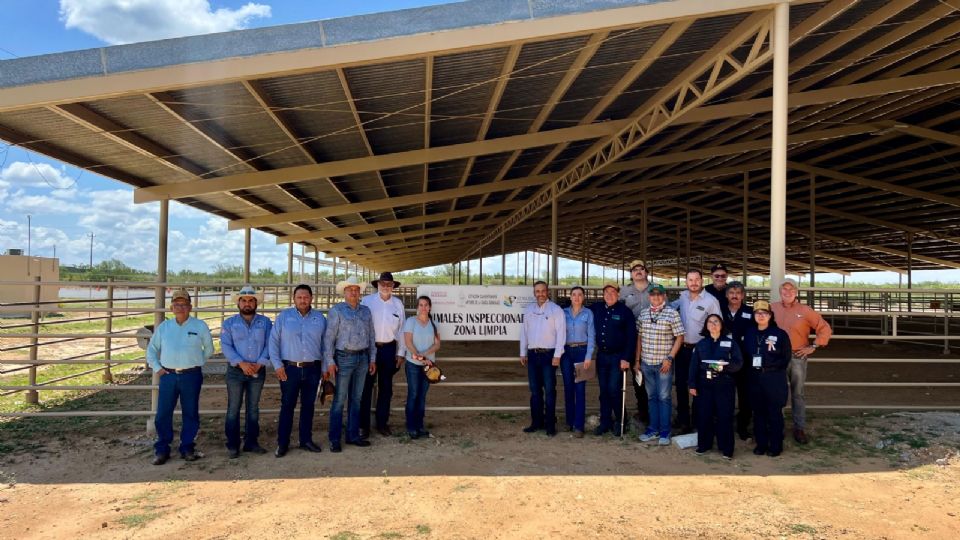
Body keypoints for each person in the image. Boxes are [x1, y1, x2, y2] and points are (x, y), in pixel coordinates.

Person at [146, 289, 214, 465]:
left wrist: (196, 362)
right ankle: (162, 449)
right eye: (177, 304)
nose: (180, 307)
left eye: (184, 304)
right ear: (171, 307)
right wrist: (158, 368)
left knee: (190, 412)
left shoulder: (199, 326)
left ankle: (187, 446)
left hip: (191, 375)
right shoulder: (164, 327)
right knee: (163, 413)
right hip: (168, 375)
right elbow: (152, 350)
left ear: (190, 307)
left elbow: (209, 349)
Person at [770, 278, 832, 445]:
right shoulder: (772, 308)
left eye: (791, 290)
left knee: (798, 393)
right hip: (776, 357)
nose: (788, 293)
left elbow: (824, 328)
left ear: (796, 292)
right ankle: (778, 425)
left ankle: (799, 427)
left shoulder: (805, 310)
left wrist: (814, 345)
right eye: (784, 290)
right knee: (778, 392)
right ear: (780, 292)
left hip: (798, 355)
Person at [270, 284, 326, 457]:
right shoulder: (284, 317)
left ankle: (305, 440)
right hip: (289, 368)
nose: (303, 300)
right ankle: (282, 443)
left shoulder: (320, 318)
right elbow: (273, 342)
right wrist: (278, 365)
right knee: (287, 405)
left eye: (306, 297)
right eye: (299, 297)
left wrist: (325, 368)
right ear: (293, 298)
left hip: (313, 368)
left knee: (308, 406)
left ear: (312, 298)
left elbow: (325, 345)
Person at [325, 276, 377, 452]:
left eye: (356, 289)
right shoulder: (337, 311)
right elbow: (329, 338)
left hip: (362, 357)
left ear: (359, 292)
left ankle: (353, 435)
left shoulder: (366, 311)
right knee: (339, 399)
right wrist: (330, 361)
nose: (354, 292)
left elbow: (371, 336)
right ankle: (334, 438)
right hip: (344, 357)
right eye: (350, 290)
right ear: (345, 292)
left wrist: (372, 358)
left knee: (356, 399)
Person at [220, 285, 272, 458]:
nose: (247, 304)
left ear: (256, 303)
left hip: (258, 370)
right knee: (233, 408)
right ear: (239, 303)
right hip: (236, 371)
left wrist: (260, 363)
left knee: (253, 408)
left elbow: (269, 344)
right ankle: (232, 444)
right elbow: (226, 346)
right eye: (244, 300)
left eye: (251, 300)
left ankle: (251, 442)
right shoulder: (229, 323)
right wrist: (241, 363)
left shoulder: (265, 323)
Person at [670, 269, 721, 434]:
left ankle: (700, 420)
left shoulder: (711, 301)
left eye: (696, 279)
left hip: (701, 350)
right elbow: (669, 308)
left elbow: (717, 324)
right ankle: (684, 420)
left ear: (702, 281)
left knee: (700, 384)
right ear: (686, 282)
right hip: (682, 348)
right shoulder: (683, 297)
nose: (693, 283)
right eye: (690, 280)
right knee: (681, 385)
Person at [635, 283, 684, 446]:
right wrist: (637, 360)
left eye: (659, 295)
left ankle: (665, 431)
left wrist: (670, 357)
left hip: (664, 364)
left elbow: (679, 337)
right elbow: (639, 338)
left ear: (664, 297)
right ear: (649, 297)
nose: (655, 297)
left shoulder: (671, 314)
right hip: (647, 363)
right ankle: (653, 429)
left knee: (664, 397)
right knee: (652, 397)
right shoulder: (643, 314)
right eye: (653, 295)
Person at [689, 313, 743, 459]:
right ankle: (704, 445)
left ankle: (726, 448)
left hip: (724, 384)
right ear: (706, 326)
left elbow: (738, 363)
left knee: (724, 416)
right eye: (710, 322)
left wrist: (722, 368)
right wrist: (692, 384)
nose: (713, 324)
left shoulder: (731, 343)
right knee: (704, 415)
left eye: (716, 321)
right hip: (704, 385)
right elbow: (694, 365)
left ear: (721, 325)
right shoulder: (701, 344)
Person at [743, 300, 792, 457]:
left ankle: (775, 445)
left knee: (774, 412)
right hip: (755, 376)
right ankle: (761, 444)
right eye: (758, 313)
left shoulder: (780, 334)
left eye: (764, 313)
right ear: (754, 315)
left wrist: (774, 368)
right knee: (758, 412)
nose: (761, 316)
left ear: (770, 315)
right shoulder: (750, 333)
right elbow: (745, 354)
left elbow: (786, 356)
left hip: (773, 377)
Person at [360, 271, 406, 438]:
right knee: (365, 387)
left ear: (393, 286)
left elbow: (401, 330)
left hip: (388, 349)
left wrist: (401, 353)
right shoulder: (367, 302)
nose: (386, 286)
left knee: (386, 388)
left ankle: (382, 423)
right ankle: (363, 426)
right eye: (383, 283)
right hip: (369, 348)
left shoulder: (398, 305)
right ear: (377, 285)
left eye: (389, 284)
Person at [589, 282, 636, 437]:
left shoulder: (625, 312)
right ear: (603, 294)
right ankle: (605, 421)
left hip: (618, 357)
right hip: (602, 356)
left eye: (613, 292)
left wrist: (626, 358)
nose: (609, 295)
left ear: (618, 294)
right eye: (606, 292)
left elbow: (631, 338)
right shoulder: (596, 308)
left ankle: (621, 420)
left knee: (614, 390)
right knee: (603, 391)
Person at [519, 281, 565, 436]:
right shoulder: (529, 310)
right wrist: (522, 352)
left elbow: (561, 334)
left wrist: (557, 355)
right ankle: (536, 422)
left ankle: (550, 425)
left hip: (549, 355)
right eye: (537, 291)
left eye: (543, 291)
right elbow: (524, 332)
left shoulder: (556, 310)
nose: (540, 294)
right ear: (534, 293)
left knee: (550, 390)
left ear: (548, 292)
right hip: (532, 355)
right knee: (535, 390)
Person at [403, 295, 441, 439]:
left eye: (426, 305)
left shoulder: (434, 323)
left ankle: (419, 425)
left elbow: (437, 344)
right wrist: (420, 356)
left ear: (429, 307)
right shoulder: (411, 321)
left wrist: (426, 355)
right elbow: (408, 342)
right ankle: (411, 426)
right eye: (421, 305)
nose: (423, 307)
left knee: (422, 396)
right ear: (417, 307)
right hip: (413, 364)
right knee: (413, 394)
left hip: (428, 366)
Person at [619, 259, 651, 427]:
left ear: (646, 272)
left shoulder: (656, 289)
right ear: (631, 274)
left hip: (651, 340)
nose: (638, 271)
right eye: (634, 269)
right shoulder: (624, 291)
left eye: (641, 269)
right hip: (631, 339)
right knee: (635, 374)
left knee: (650, 377)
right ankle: (640, 411)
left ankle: (651, 411)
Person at [560, 286, 595, 437]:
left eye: (580, 295)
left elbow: (592, 336)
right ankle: (569, 421)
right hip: (566, 352)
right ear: (570, 297)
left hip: (582, 351)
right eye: (574, 294)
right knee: (568, 387)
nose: (576, 297)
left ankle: (578, 426)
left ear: (583, 297)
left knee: (580, 389)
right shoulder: (563, 313)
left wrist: (588, 356)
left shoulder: (588, 313)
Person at [722, 281, 754, 441]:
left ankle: (743, 427)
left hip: (745, 360)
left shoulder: (751, 312)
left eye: (738, 293)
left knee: (745, 395)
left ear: (743, 295)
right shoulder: (719, 311)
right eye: (731, 293)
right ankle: (724, 425)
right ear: (727, 295)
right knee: (725, 394)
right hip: (724, 360)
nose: (735, 296)